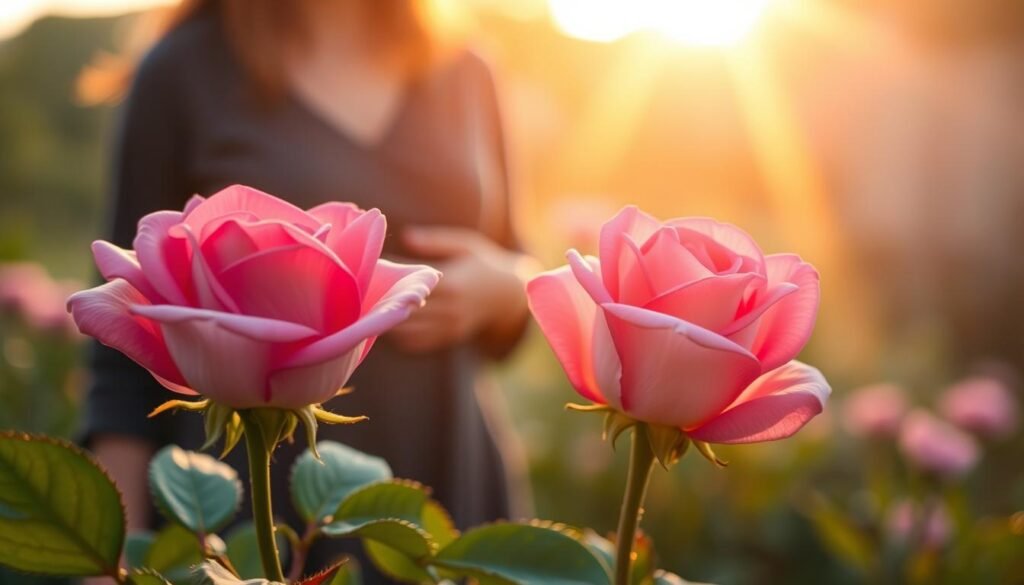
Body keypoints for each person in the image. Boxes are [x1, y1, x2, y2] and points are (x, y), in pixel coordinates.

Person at [81, 0, 533, 581]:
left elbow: (516, 277)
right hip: (249, 489)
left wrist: (502, 289)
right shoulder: (183, 70)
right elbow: (123, 337)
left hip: (447, 473)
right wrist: (107, 562)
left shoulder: (464, 69)